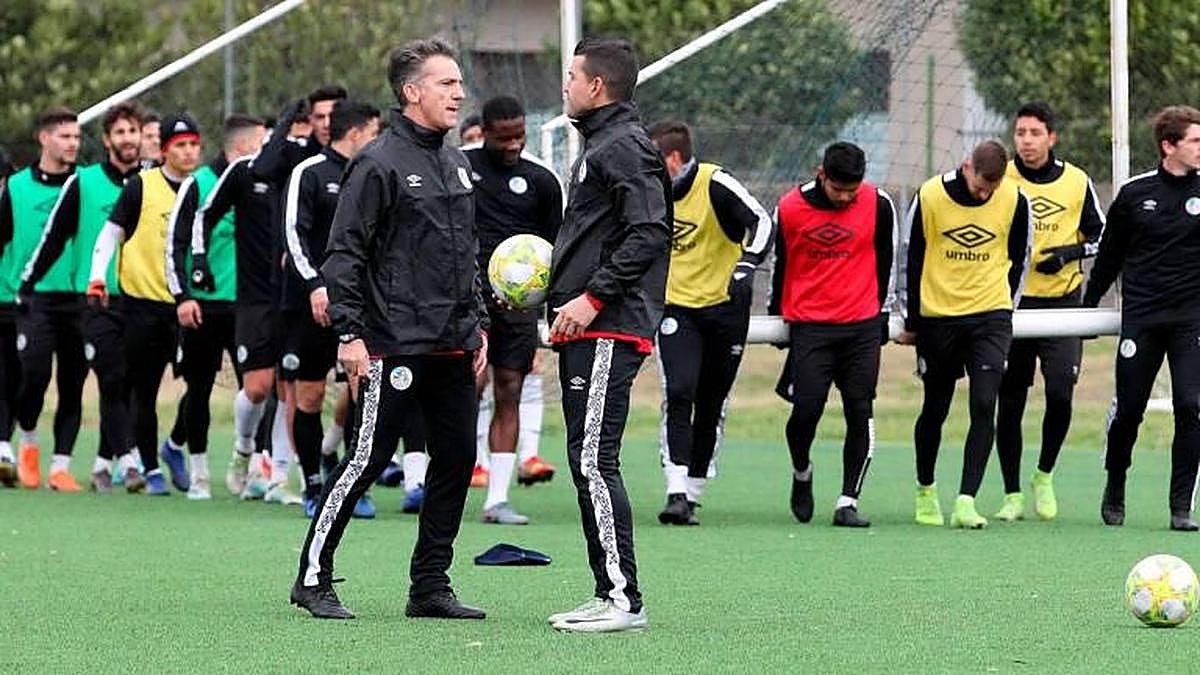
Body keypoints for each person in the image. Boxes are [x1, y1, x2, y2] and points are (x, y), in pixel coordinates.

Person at [291, 38, 488, 621]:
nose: (458, 93)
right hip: (392, 343)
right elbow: (344, 256)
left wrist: (475, 326)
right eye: (446, 83)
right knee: (366, 460)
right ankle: (312, 578)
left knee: (455, 460)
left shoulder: (455, 162)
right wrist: (351, 336)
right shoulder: (377, 162)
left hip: (453, 344)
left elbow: (465, 253)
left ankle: (429, 586)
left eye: (458, 83)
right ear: (412, 92)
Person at [545, 37, 669, 633]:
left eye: (572, 75)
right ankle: (608, 590)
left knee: (595, 458)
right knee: (586, 457)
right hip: (590, 327)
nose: (565, 85)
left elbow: (649, 232)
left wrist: (592, 298)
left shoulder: (622, 146)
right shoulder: (602, 144)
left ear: (597, 86)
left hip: (610, 328)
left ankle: (624, 600)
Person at [897, 139, 1031, 529]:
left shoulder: (1014, 199)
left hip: (990, 315)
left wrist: (1005, 304)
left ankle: (966, 500)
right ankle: (925, 490)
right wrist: (912, 319)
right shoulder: (931, 195)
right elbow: (912, 255)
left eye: (993, 186)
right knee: (935, 407)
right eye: (980, 185)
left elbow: (1019, 257)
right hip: (939, 317)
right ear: (966, 166)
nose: (985, 193)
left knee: (985, 403)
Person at [646, 119, 772, 526]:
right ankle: (676, 489)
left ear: (674, 159)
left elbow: (762, 222)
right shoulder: (648, 192)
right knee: (679, 391)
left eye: (652, 159)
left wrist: (748, 264)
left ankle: (695, 490)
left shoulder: (715, 182)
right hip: (676, 310)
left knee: (711, 401)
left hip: (725, 309)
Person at [1083, 105, 1200, 531]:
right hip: (1143, 321)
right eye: (1195, 141)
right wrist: (1086, 308)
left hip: (1191, 321)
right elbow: (1109, 257)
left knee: (1192, 406)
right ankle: (1116, 481)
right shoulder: (1134, 194)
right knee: (1129, 410)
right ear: (1169, 145)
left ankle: (1181, 506)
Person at [19, 102, 147, 493]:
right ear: (108, 140)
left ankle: (67, 466)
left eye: (133, 131)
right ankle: (30, 440)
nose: (129, 139)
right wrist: (28, 283)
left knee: (97, 381)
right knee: (44, 373)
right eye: (120, 132)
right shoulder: (84, 183)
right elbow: (54, 238)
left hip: (140, 299)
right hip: (87, 299)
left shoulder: (152, 182)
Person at [769, 141, 895, 527]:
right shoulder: (790, 208)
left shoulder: (878, 203)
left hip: (861, 326)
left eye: (851, 191)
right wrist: (777, 314)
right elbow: (781, 263)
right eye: (838, 189)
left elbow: (888, 258)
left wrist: (884, 313)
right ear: (821, 175)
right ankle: (802, 472)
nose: (845, 197)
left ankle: (847, 501)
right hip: (811, 327)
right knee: (806, 411)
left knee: (860, 411)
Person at [993, 102, 1106, 522]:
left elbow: (1103, 236)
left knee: (1060, 392)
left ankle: (1044, 474)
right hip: (1012, 304)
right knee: (1010, 398)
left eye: (1034, 133)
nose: (1026, 141)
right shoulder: (1001, 177)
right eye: (1020, 132)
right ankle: (1012, 492)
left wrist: (1070, 253)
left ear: (1052, 137)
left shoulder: (1076, 181)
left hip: (1062, 302)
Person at [88, 113, 203, 496]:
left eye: (193, 145)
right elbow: (109, 234)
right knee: (144, 390)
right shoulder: (141, 186)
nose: (188, 152)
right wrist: (97, 276)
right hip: (142, 307)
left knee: (198, 384)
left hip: (187, 307)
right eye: (180, 146)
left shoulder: (201, 189)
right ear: (166, 150)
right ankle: (149, 468)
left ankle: (174, 446)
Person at [464, 94, 563, 525]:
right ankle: (444, 484)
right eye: (504, 137)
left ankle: (497, 500)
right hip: (464, 304)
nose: (513, 145)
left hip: (517, 310)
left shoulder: (541, 179)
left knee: (509, 389)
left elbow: (557, 250)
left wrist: (540, 302)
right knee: (466, 390)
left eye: (519, 135)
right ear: (484, 133)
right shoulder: (459, 167)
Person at [282, 99, 381, 516]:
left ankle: (352, 485)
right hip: (311, 306)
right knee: (309, 396)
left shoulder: (373, 173)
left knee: (362, 391)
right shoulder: (308, 173)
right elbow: (293, 235)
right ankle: (312, 484)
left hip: (359, 307)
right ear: (355, 133)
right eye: (374, 133)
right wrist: (315, 286)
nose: (379, 141)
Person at [193, 112, 294, 503]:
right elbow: (205, 215)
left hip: (291, 299)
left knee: (288, 389)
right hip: (252, 298)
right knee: (258, 386)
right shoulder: (241, 174)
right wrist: (199, 262)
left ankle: (278, 477)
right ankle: (243, 447)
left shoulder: (299, 174)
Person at [166, 114, 268, 499]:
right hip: (204, 306)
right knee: (200, 387)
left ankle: (253, 468)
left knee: (257, 389)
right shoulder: (200, 184)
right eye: (260, 143)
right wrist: (184, 296)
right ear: (242, 147)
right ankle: (199, 473)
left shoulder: (261, 183)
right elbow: (175, 243)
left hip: (249, 306)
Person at [1, 107, 83, 490]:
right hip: (34, 299)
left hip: (79, 297)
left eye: (77, 137)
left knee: (73, 381)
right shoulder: (16, 187)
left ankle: (61, 465)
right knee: (32, 374)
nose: (72, 144)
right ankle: (29, 442)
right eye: (65, 136)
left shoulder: (84, 184)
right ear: (44, 138)